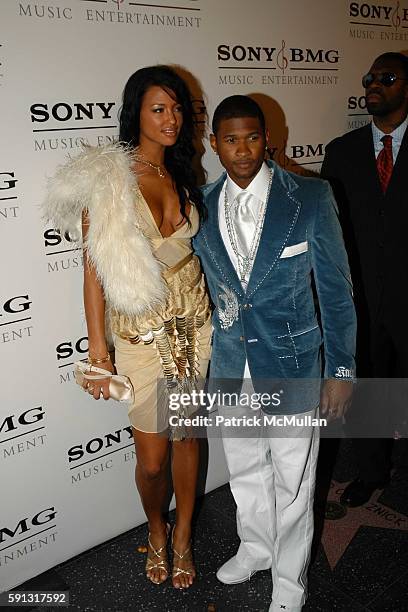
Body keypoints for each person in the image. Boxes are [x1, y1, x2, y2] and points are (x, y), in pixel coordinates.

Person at [43, 65, 212, 589]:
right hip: (141, 336)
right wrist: (98, 350)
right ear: (135, 112)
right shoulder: (112, 178)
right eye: (158, 108)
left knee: (188, 439)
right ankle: (156, 528)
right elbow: (93, 269)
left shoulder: (183, 172)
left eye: (178, 108)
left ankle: (183, 535)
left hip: (194, 326)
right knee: (154, 457)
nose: (171, 119)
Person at [193, 95, 356, 612]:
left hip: (293, 365)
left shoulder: (309, 196)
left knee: (294, 481)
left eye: (253, 137)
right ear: (213, 143)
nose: (242, 151)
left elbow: (335, 291)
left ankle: (290, 580)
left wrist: (342, 370)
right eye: (230, 139)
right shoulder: (197, 203)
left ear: (269, 139)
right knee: (244, 471)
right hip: (229, 367)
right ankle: (256, 548)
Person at [321, 52, 408, 507]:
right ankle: (372, 471)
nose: (373, 84)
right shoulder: (341, 151)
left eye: (387, 77)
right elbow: (328, 222)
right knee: (370, 388)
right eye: (369, 77)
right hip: (362, 301)